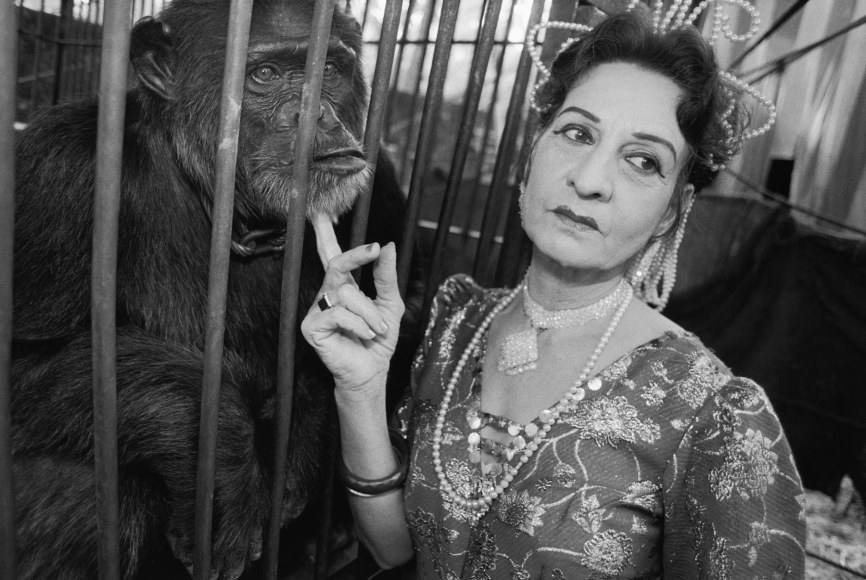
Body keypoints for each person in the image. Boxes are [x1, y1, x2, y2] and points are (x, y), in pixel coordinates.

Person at [302, 8, 807, 578]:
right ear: (531, 155)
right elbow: (395, 550)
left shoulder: (708, 411)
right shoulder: (457, 327)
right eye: (576, 133)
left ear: (672, 211)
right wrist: (360, 390)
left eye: (643, 161)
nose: (590, 179)